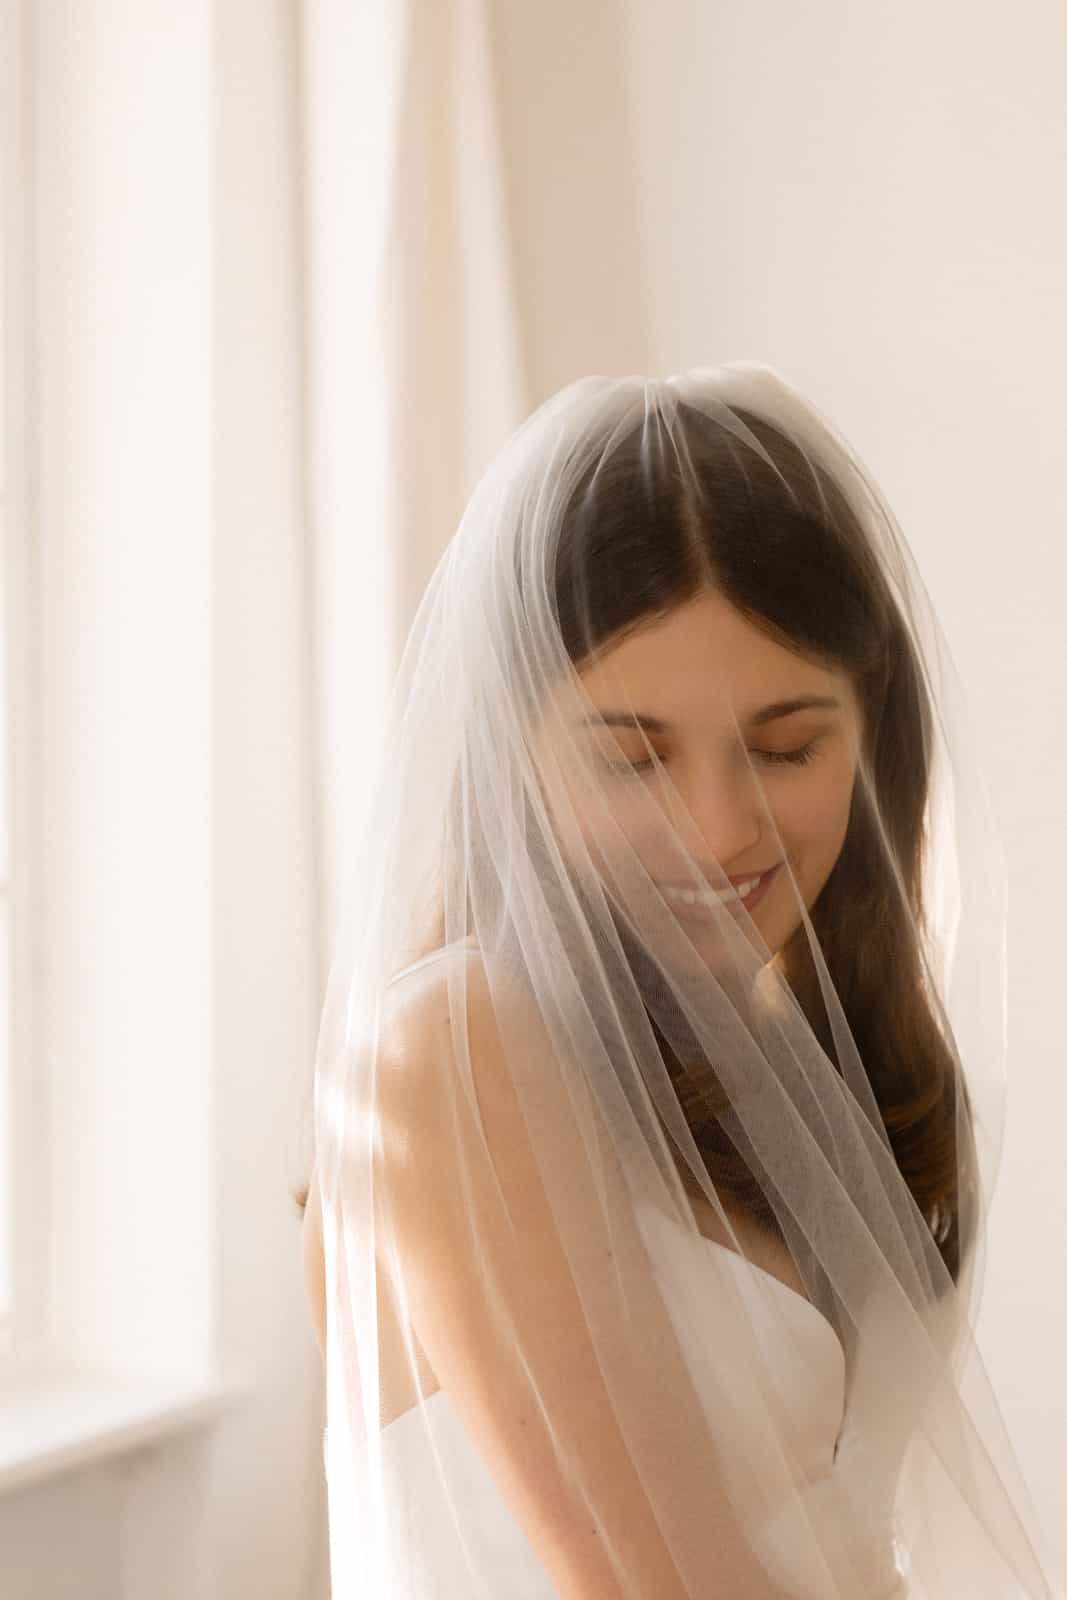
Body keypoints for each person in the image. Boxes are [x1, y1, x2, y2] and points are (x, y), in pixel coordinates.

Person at [300, 364, 1064, 1597]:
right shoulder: (450, 1049)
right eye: (630, 759)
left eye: (784, 746)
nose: (716, 828)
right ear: (513, 752)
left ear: (872, 733)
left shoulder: (798, 1068)